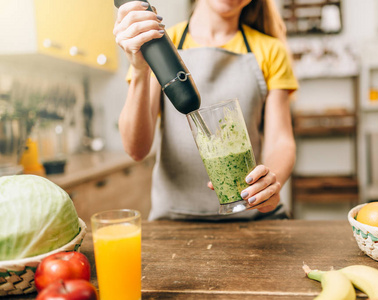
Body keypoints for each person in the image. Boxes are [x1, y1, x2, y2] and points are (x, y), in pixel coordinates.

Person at [113, 0, 298, 221]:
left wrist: (270, 182)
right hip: (174, 223)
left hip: (251, 217)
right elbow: (136, 149)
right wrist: (139, 68)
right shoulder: (156, 43)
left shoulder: (270, 50)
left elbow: (280, 140)